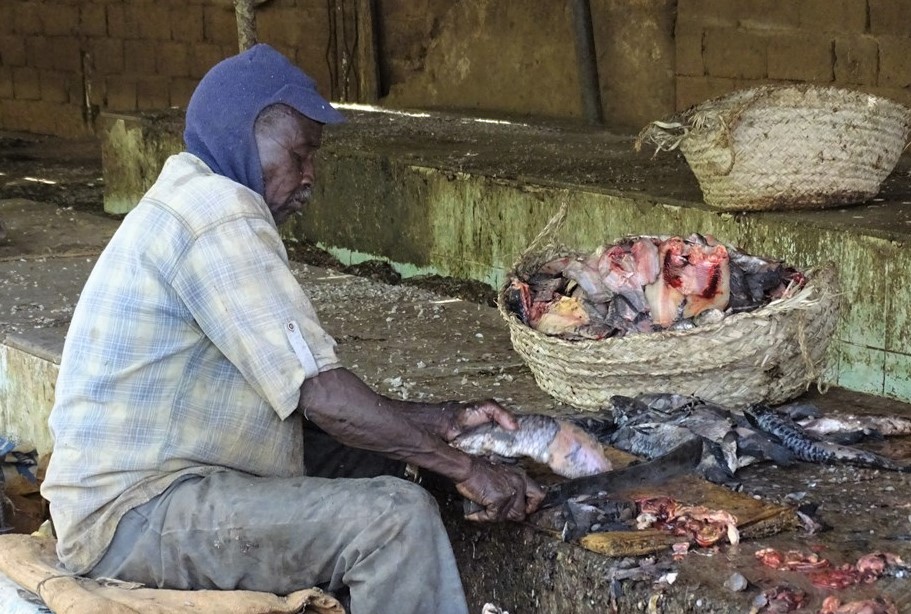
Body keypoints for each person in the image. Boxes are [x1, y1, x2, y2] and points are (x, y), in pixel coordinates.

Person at [40, 44, 544, 614]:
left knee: (376, 461)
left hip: (162, 490)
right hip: (134, 516)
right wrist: (468, 469)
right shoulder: (218, 212)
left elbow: (311, 398)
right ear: (243, 136)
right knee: (392, 519)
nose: (309, 178)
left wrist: (444, 420)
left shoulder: (191, 197)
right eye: (299, 155)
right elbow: (324, 397)